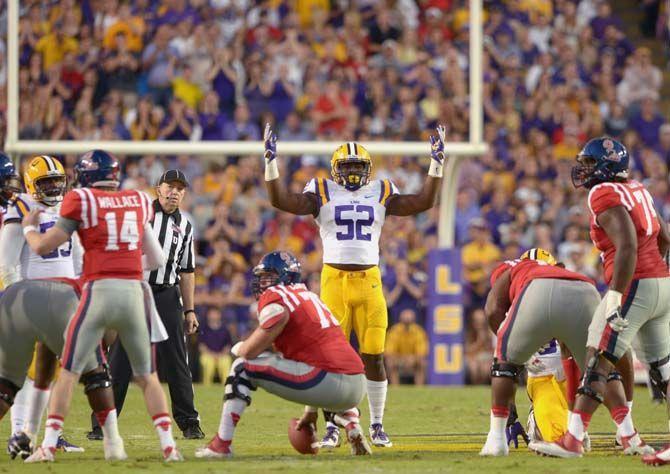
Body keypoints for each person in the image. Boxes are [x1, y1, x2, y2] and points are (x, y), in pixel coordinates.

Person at [262, 123, 447, 448]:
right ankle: (334, 426)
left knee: (373, 356)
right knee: (329, 357)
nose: (351, 173)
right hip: (334, 280)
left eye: (357, 167)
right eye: (346, 167)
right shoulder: (321, 190)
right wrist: (270, 162)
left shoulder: (381, 190)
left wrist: (437, 163)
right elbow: (282, 201)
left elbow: (424, 201)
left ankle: (376, 423)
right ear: (335, 169)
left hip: (369, 281)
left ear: (368, 170)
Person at [21, 150, 182, 462]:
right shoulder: (137, 200)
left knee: (68, 372)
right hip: (135, 291)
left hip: (98, 290)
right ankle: (169, 448)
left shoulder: (81, 200)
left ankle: (48, 446)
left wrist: (28, 227)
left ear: (86, 177)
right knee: (147, 376)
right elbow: (158, 259)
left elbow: (42, 246)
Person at [531, 138, 670, 462]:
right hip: (661, 283)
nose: (583, 169)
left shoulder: (602, 192)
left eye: (590, 163)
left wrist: (617, 296)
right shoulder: (637, 189)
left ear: (606, 166)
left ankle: (573, 440)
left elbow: (628, 246)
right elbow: (664, 236)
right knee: (664, 370)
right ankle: (621, 436)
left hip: (636, 284)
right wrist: (657, 275)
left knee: (597, 356)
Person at [195, 251, 370, 458]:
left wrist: (241, 348)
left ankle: (221, 446)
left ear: (285, 276)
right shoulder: (310, 296)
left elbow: (253, 349)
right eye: (261, 277)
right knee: (318, 377)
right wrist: (310, 412)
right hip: (357, 385)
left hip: (329, 380)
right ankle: (351, 423)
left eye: (268, 276)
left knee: (242, 366)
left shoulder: (278, 296)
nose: (262, 282)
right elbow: (316, 357)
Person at [480, 248, 649, 456]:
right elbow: (586, 354)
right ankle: (627, 433)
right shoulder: (567, 276)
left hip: (547, 365)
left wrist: (509, 413)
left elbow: (492, 312)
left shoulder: (513, 272)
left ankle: (496, 439)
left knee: (505, 360)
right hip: (585, 291)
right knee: (603, 364)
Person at [88, 169, 203, 441]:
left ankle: (189, 422)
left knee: (177, 361)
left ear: (184, 193)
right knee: (120, 361)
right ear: (157, 188)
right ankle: (103, 423)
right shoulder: (138, 213)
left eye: (179, 188)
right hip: (133, 291)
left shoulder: (185, 226)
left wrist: (189, 309)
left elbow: (186, 270)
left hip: (166, 295)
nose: (174, 192)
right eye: (169, 186)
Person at [0, 155, 84, 456]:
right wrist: (19, 300)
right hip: (29, 299)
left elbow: (76, 259)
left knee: (54, 371)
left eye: (55, 180)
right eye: (45, 181)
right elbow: (7, 263)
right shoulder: (21, 207)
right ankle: (21, 434)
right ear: (31, 184)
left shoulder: (68, 207)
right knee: (23, 372)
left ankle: (45, 434)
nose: (52, 187)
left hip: (61, 300)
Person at [0, 278, 116, 460]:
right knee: (25, 376)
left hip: (50, 297)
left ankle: (36, 436)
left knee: (41, 375)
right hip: (39, 298)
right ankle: (22, 433)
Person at [385, 309, 428, 385]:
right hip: (398, 359)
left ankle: (419, 389)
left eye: (409, 322)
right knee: (390, 362)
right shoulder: (394, 331)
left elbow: (422, 352)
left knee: (422, 362)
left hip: (414, 359)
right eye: (405, 323)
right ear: (400, 321)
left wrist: (412, 359)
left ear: (413, 321)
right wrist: (403, 359)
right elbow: (388, 352)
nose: (407, 325)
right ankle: (395, 388)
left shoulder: (419, 331)